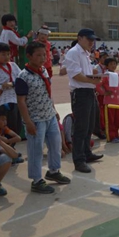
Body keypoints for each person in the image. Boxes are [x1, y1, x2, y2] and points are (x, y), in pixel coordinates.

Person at [16, 41, 71, 193]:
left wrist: (54, 110)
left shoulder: (44, 71)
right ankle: (36, 180)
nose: (42, 58)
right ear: (29, 56)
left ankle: (53, 171)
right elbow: (21, 101)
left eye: (44, 54)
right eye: (38, 55)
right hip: (35, 119)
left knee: (55, 144)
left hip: (50, 116)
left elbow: (47, 93)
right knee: (36, 150)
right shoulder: (23, 77)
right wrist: (28, 122)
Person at [63, 28, 104, 173]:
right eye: (89, 39)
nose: (92, 43)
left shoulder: (86, 53)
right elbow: (75, 75)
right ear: (80, 38)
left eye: (93, 40)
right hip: (80, 93)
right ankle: (79, 160)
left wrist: (95, 75)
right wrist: (93, 81)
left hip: (89, 91)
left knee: (90, 125)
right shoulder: (73, 52)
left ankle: (87, 153)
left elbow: (85, 72)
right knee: (81, 128)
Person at [98, 58, 119, 143]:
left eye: (115, 64)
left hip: (117, 102)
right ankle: (111, 137)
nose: (113, 66)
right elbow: (98, 85)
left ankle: (116, 135)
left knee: (117, 120)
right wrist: (104, 92)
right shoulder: (105, 75)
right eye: (111, 64)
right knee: (110, 120)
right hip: (109, 102)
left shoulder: (117, 75)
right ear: (107, 66)